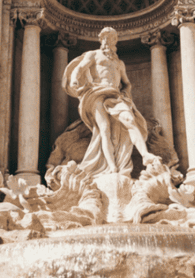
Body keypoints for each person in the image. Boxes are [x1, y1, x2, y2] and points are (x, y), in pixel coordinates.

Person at [62, 26, 154, 175]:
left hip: (115, 96)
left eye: (111, 38)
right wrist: (74, 81)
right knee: (104, 129)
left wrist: (125, 93)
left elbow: (127, 83)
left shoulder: (119, 63)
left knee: (130, 120)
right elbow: (79, 69)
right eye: (105, 38)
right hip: (96, 94)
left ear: (115, 42)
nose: (108, 41)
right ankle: (112, 167)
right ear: (101, 40)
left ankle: (145, 155)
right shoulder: (93, 55)